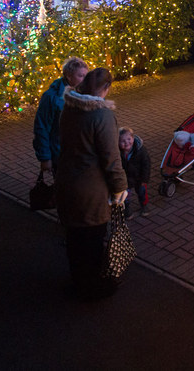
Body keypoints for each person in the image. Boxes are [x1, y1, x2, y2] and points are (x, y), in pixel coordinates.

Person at [55, 68, 128, 299]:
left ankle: (79, 281)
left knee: (75, 239)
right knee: (93, 241)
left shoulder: (69, 107)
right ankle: (92, 288)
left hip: (67, 182)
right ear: (106, 88)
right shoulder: (102, 115)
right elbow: (111, 157)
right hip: (90, 190)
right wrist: (119, 187)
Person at [33, 56, 89, 174]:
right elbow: (41, 128)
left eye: (86, 75)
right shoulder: (51, 97)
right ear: (68, 76)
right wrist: (45, 158)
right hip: (61, 154)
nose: (84, 79)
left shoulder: (84, 93)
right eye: (80, 76)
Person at [118, 127, 152, 219]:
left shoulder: (141, 150)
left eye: (129, 139)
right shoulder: (117, 153)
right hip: (125, 178)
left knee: (142, 192)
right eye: (123, 141)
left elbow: (146, 164)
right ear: (118, 142)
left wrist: (144, 178)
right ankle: (127, 208)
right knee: (125, 195)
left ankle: (144, 205)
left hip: (139, 177)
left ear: (133, 138)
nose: (126, 143)